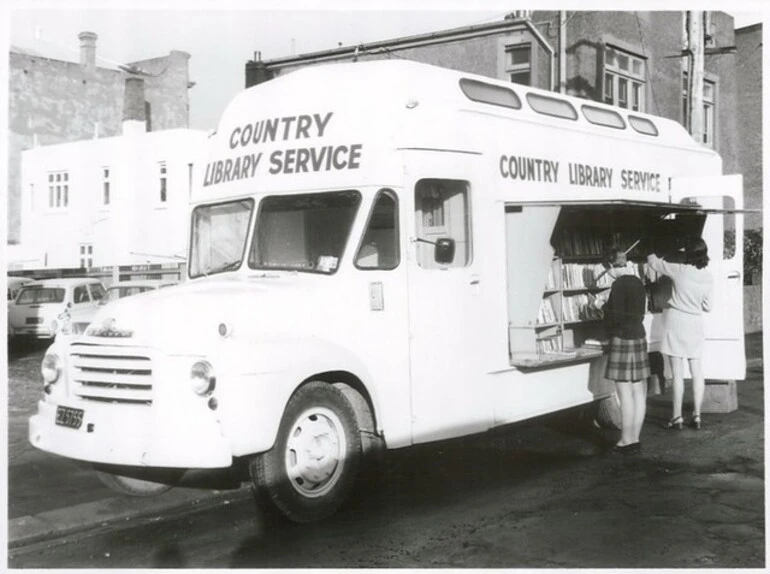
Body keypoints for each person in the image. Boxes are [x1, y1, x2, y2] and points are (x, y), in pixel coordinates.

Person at [647, 237, 713, 431]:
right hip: (695, 322)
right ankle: (697, 415)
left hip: (677, 321)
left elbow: (654, 263)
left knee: (677, 374)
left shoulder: (679, 270)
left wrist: (650, 249)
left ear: (688, 254)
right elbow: (709, 307)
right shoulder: (708, 277)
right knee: (697, 370)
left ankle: (677, 417)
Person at [600, 248, 650, 453]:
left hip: (622, 338)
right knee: (638, 391)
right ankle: (635, 438)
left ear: (610, 266)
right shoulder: (638, 282)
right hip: (639, 336)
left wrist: (602, 307)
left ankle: (625, 440)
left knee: (624, 392)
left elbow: (616, 318)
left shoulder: (618, 284)